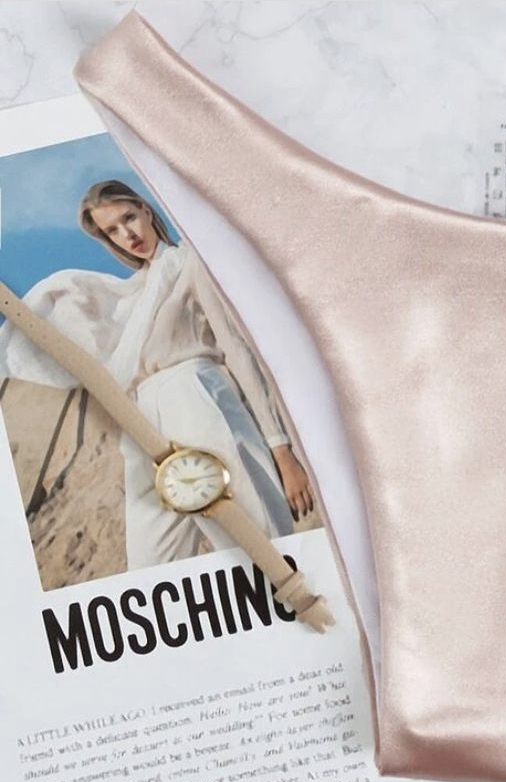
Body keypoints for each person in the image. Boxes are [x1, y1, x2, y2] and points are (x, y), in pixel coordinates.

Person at [0, 179, 314, 571]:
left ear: (146, 210)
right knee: (150, 567)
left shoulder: (190, 263)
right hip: (142, 423)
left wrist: (281, 449)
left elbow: (236, 349)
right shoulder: (130, 295)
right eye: (112, 230)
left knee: (259, 543)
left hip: (195, 396)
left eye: (129, 218)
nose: (127, 234)